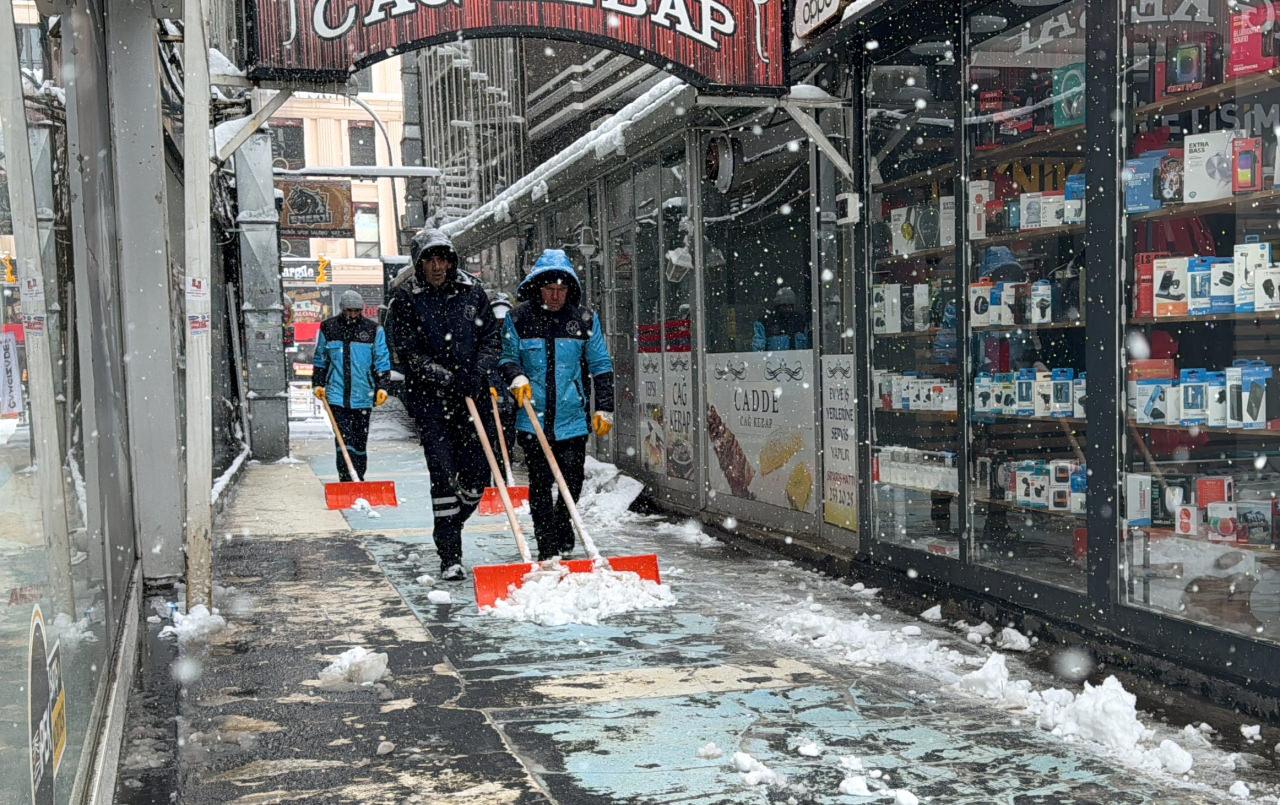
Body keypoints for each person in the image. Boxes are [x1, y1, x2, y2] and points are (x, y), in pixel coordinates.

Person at [386, 229, 502, 581]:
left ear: (452, 261)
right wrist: (444, 375)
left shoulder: (472, 294)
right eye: (430, 260)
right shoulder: (407, 300)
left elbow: (492, 339)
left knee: (478, 474)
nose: (438, 266)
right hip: (431, 402)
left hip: (472, 398)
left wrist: (477, 370)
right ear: (420, 264)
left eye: (443, 259)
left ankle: (451, 523)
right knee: (441, 473)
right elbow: (406, 351)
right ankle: (449, 553)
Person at [499, 250, 614, 561]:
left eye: (561, 289)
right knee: (540, 486)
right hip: (532, 420)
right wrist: (516, 376)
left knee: (571, 483)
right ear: (538, 287)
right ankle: (547, 548)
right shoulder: (519, 319)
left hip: (572, 419)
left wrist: (604, 407)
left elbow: (601, 364)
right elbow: (507, 358)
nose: (555, 296)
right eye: (549, 289)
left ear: (570, 290)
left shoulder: (584, 320)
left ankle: (563, 528)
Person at [312, 290, 391, 482]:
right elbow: (320, 359)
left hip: (363, 394)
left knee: (359, 440)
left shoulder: (373, 330)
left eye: (357, 311)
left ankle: (359, 476)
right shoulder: (329, 328)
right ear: (342, 309)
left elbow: (381, 360)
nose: (353, 315)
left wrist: (382, 386)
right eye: (349, 311)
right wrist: (318, 383)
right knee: (343, 439)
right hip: (336, 395)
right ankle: (346, 478)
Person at [752, 286, 811, 351]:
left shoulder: (801, 321)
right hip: (773, 360)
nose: (788, 309)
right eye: (784, 306)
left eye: (790, 305)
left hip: (802, 360)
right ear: (777, 306)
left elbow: (808, 346)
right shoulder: (765, 322)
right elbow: (758, 349)